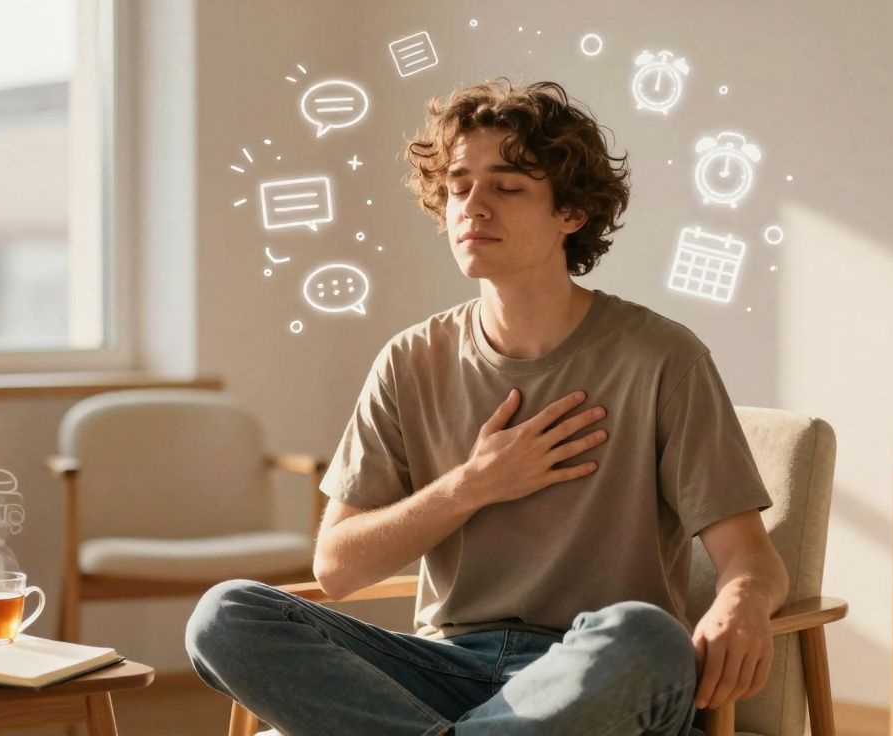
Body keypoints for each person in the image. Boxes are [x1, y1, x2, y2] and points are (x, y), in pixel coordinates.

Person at [186, 78, 788, 736]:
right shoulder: (409, 361)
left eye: (507, 186)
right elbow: (337, 566)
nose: (474, 205)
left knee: (648, 635)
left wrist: (743, 603)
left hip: (591, 672)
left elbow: (750, 559)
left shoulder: (662, 358)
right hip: (448, 668)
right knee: (226, 615)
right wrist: (471, 486)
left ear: (571, 214)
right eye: (459, 184)